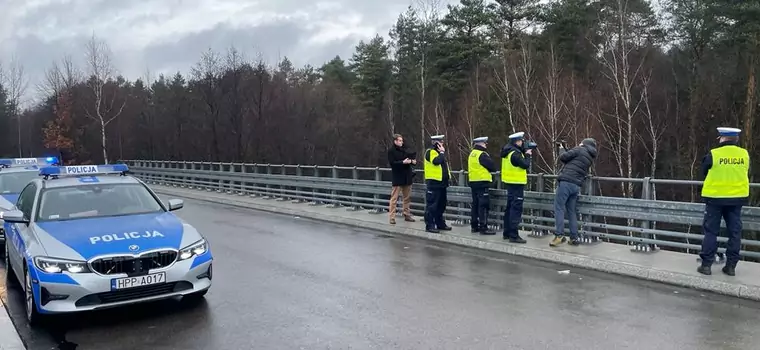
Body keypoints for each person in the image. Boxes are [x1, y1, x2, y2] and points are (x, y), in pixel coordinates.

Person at [697, 127, 749, 277]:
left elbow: (704, 171)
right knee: (734, 232)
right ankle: (731, 266)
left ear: (722, 138)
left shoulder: (714, 154)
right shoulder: (744, 154)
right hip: (736, 199)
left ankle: (706, 265)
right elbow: (745, 172)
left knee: (711, 231)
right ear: (736, 139)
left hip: (715, 199)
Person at [550, 138, 598, 247]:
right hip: (576, 186)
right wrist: (567, 149)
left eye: (581, 142)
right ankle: (574, 237)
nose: (579, 143)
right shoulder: (589, 157)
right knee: (571, 211)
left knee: (559, 208)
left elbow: (563, 158)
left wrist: (561, 149)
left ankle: (559, 235)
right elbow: (572, 160)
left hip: (566, 182)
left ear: (584, 144)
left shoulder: (580, 149)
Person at [500, 132, 530, 243]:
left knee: (509, 208)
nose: (522, 143)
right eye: (521, 141)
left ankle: (507, 232)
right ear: (517, 141)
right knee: (515, 210)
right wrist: (528, 155)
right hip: (517, 184)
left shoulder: (507, 151)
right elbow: (525, 164)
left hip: (509, 182)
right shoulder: (515, 153)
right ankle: (513, 235)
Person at [468, 136, 497, 235]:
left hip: (473, 182)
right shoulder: (482, 154)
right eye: (485, 143)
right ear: (481, 144)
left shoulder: (472, 153)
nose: (486, 145)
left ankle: (474, 226)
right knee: (483, 205)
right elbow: (492, 167)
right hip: (482, 182)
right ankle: (483, 227)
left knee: (475, 205)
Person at [423, 134, 452, 233]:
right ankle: (430, 225)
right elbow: (436, 162)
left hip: (442, 183)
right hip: (434, 183)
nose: (443, 143)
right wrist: (442, 153)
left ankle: (440, 223)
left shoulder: (439, 153)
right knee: (432, 205)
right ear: (436, 143)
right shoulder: (430, 152)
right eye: (441, 142)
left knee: (441, 205)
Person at [387, 134, 416, 225]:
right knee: (394, 198)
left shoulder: (405, 149)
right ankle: (392, 217)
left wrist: (411, 161)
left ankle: (406, 214)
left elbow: (412, 160)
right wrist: (402, 162)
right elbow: (392, 163)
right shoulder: (391, 151)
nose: (401, 142)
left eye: (402, 141)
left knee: (407, 197)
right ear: (395, 141)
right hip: (397, 176)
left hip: (407, 176)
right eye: (399, 141)